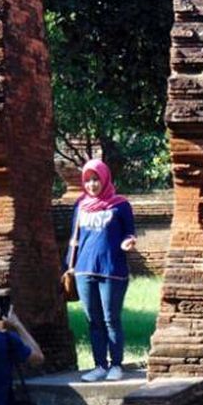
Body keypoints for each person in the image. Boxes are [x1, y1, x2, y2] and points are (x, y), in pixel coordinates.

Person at [66, 159, 137, 382]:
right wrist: (69, 267)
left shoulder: (120, 204)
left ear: (105, 179)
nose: (92, 185)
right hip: (84, 270)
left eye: (96, 179)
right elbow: (74, 240)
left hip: (112, 270)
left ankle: (116, 365)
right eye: (88, 180)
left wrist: (128, 242)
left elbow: (130, 232)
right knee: (93, 320)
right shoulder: (80, 205)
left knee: (110, 319)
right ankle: (99, 365)